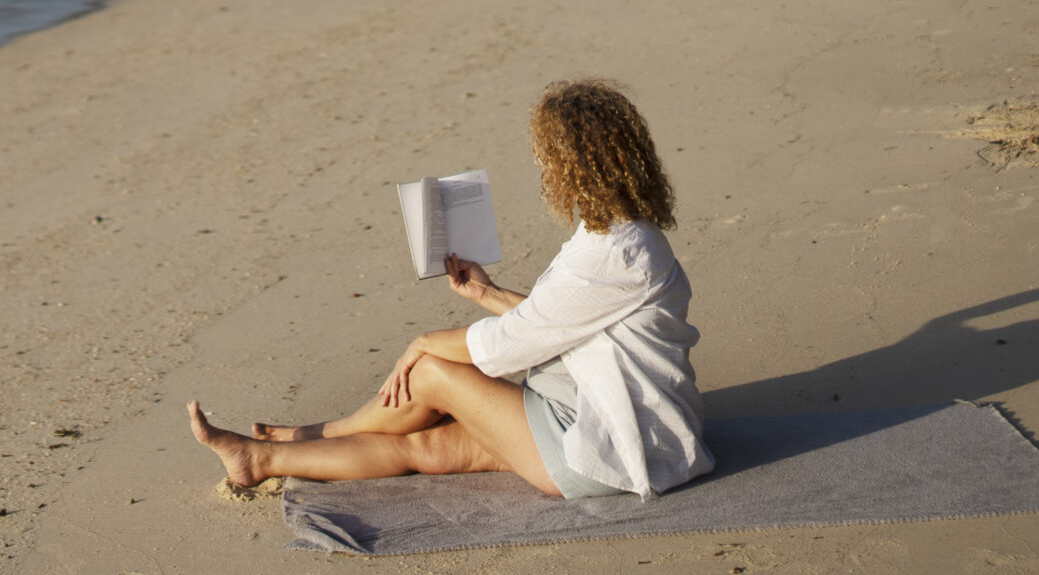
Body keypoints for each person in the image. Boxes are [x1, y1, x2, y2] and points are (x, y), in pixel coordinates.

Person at [189, 78, 716, 500]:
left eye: (547, 159)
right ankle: (261, 459)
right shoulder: (615, 232)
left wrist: (422, 342)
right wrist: (487, 296)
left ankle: (325, 431)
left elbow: (512, 345)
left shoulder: (618, 253)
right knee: (427, 446)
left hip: (605, 443)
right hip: (588, 410)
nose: (543, 170)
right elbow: (559, 323)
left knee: (434, 372)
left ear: (571, 167)